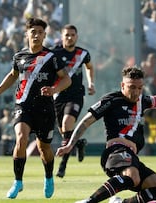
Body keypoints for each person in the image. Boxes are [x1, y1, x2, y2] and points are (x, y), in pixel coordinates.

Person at [56, 65, 156, 203]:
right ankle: (89, 201)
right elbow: (86, 121)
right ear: (122, 85)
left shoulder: (142, 101)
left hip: (131, 155)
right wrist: (70, 143)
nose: (136, 92)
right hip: (116, 151)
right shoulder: (111, 100)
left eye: (139, 88)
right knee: (132, 176)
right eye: (131, 87)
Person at [0, 17, 71, 199]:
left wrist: (54, 89)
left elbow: (66, 79)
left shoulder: (51, 57)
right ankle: (18, 182)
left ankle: (48, 177)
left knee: (44, 149)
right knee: (21, 138)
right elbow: (12, 75)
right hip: (23, 105)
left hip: (45, 109)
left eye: (40, 32)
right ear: (27, 34)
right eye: (33, 32)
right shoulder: (19, 56)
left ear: (44, 35)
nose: (36, 35)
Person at [52, 24, 96, 178]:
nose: (70, 38)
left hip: (76, 96)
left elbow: (90, 67)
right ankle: (78, 143)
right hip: (58, 96)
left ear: (77, 37)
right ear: (62, 37)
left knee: (66, 124)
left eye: (72, 35)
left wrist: (91, 83)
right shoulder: (54, 53)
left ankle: (62, 166)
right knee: (65, 132)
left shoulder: (83, 54)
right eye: (67, 35)